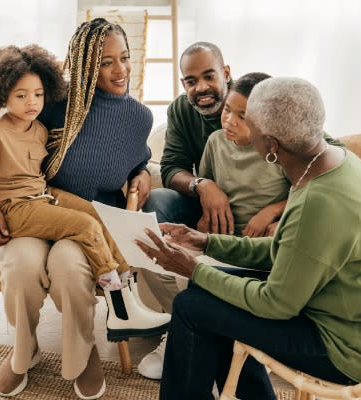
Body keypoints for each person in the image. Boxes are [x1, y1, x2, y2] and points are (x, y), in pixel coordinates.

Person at [134, 77, 361, 399]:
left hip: (353, 348)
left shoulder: (318, 200)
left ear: (270, 145)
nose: (241, 128)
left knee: (191, 306)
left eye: (248, 122)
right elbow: (291, 251)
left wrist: (193, 268)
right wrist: (207, 243)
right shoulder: (337, 162)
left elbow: (275, 304)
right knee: (205, 294)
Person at [0, 19, 168, 399]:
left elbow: (136, 159)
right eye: (105, 61)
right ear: (83, 64)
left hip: (89, 218)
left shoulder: (138, 117)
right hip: (33, 213)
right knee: (21, 269)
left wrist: (142, 172)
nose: (120, 70)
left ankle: (83, 354)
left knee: (69, 270)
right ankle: (23, 353)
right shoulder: (51, 105)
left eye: (124, 58)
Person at [137, 43, 343, 379]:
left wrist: (275, 212)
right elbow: (174, 165)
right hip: (220, 215)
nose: (200, 87)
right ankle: (183, 325)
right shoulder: (209, 134)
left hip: (266, 227)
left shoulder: (270, 112)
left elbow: (323, 160)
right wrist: (204, 188)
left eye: (208, 76)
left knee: (267, 250)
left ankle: (224, 331)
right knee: (156, 213)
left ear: (226, 74)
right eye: (190, 80)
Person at [0, 44, 139, 307]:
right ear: (3, 96)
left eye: (38, 94)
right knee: (85, 226)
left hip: (42, 196)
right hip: (15, 207)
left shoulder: (39, 130)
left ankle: (126, 278)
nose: (31, 102)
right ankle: (115, 293)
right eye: (21, 96)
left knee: (94, 213)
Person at [198, 72, 287, 237]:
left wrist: (273, 211)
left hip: (264, 238)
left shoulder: (279, 148)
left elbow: (306, 193)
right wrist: (205, 216)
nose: (230, 121)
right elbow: (205, 189)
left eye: (242, 116)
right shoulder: (215, 141)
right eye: (227, 109)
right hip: (222, 238)